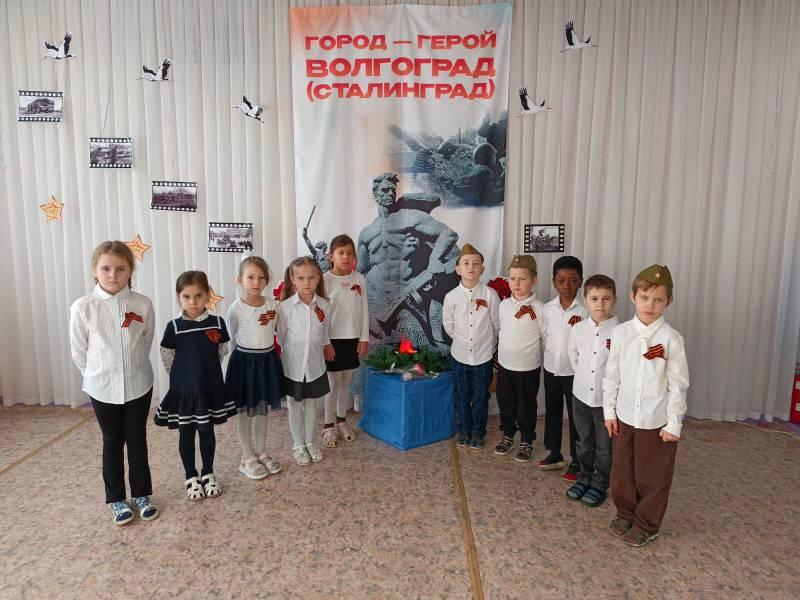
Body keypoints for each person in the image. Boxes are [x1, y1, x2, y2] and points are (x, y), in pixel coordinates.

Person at [69, 241, 159, 525]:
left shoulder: (142, 304)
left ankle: (142, 494)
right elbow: (79, 352)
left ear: (130, 270)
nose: (113, 275)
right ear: (94, 270)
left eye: (120, 269)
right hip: (102, 388)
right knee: (112, 442)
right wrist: (99, 375)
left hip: (138, 384)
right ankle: (117, 499)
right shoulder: (83, 307)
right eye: (106, 268)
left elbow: (145, 340)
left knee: (137, 439)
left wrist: (131, 369)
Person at [603, 265, 689, 547]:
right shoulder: (620, 334)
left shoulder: (672, 339)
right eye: (644, 297)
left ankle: (647, 524)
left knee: (652, 475)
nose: (650, 305)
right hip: (624, 417)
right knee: (622, 472)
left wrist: (674, 423)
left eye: (658, 299)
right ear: (633, 297)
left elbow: (678, 384)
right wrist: (609, 412)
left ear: (668, 302)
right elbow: (612, 376)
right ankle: (625, 513)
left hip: (656, 421)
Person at [153, 271, 236, 500]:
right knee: (186, 433)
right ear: (179, 297)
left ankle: (208, 472)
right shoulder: (174, 327)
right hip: (185, 392)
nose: (193, 302)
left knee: (207, 431)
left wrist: (206, 373)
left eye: (198, 296)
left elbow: (222, 350)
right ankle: (190, 475)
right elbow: (167, 356)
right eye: (186, 296)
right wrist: (184, 377)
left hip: (209, 388)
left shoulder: (217, 323)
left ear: (207, 295)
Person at [357, 172, 459, 351]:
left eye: (393, 190)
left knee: (418, 347)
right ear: (375, 195)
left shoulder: (411, 217)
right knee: (374, 352)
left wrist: (434, 259)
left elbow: (448, 234)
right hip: (375, 296)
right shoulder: (366, 232)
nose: (390, 193)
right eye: (385, 190)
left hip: (406, 293)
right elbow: (362, 269)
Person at [226, 255, 283, 480]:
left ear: (267, 280)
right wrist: (243, 361)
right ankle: (247, 457)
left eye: (261, 277)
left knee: (262, 409)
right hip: (244, 364)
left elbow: (277, 331)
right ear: (239, 279)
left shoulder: (273, 305)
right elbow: (231, 339)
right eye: (250, 277)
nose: (256, 282)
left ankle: (261, 452)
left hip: (267, 362)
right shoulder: (235, 309)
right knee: (244, 412)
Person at [566, 274, 619, 506]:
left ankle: (600, 483)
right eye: (594, 298)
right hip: (581, 397)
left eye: (606, 298)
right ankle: (584, 477)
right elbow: (574, 359)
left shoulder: (621, 332)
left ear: (614, 300)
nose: (600, 304)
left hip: (606, 402)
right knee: (584, 441)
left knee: (604, 447)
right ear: (586, 300)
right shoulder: (578, 329)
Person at [442, 243, 500, 449]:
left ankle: (477, 432)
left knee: (480, 396)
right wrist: (463, 341)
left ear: (482, 269)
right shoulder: (451, 297)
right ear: (457, 269)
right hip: (459, 356)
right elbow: (448, 325)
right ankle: (464, 430)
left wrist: (488, 345)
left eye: (476, 264)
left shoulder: (491, 294)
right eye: (466, 263)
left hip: (483, 357)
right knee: (461, 396)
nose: (471, 267)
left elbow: (496, 325)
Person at [277, 257, 333, 465]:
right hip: (293, 366)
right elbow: (281, 337)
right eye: (301, 278)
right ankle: (298, 445)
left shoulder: (324, 305)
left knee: (312, 404)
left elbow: (324, 332)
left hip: (315, 365)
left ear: (318, 277)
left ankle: (309, 442)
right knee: (294, 404)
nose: (307, 282)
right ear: (293, 279)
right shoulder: (285, 308)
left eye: (311, 277)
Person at [539, 256, 589, 480]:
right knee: (553, 412)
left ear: (581, 282)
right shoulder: (547, 309)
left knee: (577, 418)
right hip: (552, 369)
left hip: (575, 373)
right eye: (561, 281)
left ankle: (578, 460)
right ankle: (555, 453)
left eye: (572, 281)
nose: (567, 286)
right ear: (554, 282)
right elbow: (544, 336)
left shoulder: (586, 310)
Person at [494, 255, 545, 462]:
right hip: (506, 365)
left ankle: (526, 439)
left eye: (522, 279)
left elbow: (545, 337)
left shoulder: (540, 308)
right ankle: (508, 434)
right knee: (506, 402)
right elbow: (499, 330)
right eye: (512, 278)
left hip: (528, 366)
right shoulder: (504, 305)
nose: (516, 283)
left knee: (526, 405)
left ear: (534, 280)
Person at [321, 235, 369, 448]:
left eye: (350, 253)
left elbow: (364, 309)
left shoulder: (359, 278)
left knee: (346, 382)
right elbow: (320, 314)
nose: (346, 257)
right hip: (332, 340)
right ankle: (328, 426)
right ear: (331, 256)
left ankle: (341, 421)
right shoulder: (324, 280)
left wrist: (363, 338)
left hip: (352, 339)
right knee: (332, 384)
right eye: (341, 253)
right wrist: (325, 342)